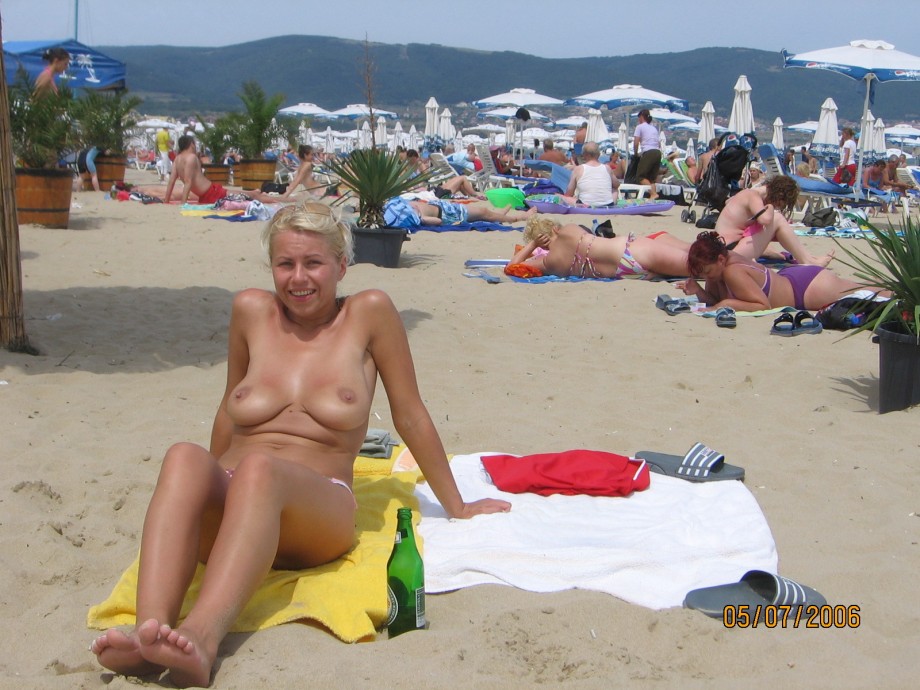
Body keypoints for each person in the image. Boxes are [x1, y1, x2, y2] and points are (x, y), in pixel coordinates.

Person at [89, 203, 511, 687]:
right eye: (285, 264)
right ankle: (151, 631)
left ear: (341, 265)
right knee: (184, 456)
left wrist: (455, 505)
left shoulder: (368, 313)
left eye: (313, 263)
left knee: (259, 471)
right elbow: (229, 407)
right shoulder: (250, 310)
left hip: (318, 509)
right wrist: (203, 480)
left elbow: (410, 413)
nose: (298, 278)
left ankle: (202, 640)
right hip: (239, 503)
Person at [680, 230, 880, 312]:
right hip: (791, 279)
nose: (706, 276)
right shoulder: (718, 269)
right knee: (863, 289)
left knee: (869, 293)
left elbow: (762, 305)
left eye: (706, 271)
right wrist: (699, 291)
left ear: (720, 259)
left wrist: (721, 305)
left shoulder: (733, 271)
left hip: (805, 289)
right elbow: (718, 300)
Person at [510, 217, 692, 280]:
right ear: (554, 229)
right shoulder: (569, 230)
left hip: (627, 272)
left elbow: (512, 267)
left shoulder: (549, 263)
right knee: (697, 260)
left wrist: (533, 246)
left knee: (693, 269)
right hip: (630, 251)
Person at [715, 176, 834, 267]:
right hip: (730, 251)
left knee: (772, 221)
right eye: (780, 204)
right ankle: (808, 261)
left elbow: (728, 202)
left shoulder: (747, 193)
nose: (778, 207)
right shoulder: (753, 196)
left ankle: (808, 258)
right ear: (779, 195)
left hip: (723, 249)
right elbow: (765, 220)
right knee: (777, 219)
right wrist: (770, 208)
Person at [160, 135, 283, 205]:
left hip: (211, 192)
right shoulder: (191, 158)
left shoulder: (177, 159)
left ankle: (276, 198)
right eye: (195, 143)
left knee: (247, 197)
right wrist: (183, 204)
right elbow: (188, 181)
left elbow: (172, 181)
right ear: (191, 144)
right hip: (210, 193)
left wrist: (166, 200)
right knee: (245, 196)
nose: (196, 145)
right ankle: (256, 193)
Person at [407, 198, 536, 226]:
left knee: (485, 213)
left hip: (443, 206)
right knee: (484, 211)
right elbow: (438, 221)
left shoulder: (401, 205)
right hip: (449, 214)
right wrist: (422, 217)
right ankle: (518, 218)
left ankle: (499, 215)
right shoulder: (415, 216)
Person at [565, 142, 620, 206]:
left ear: (584, 155)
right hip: (608, 205)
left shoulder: (578, 169)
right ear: (599, 154)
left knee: (566, 197)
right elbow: (617, 185)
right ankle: (610, 204)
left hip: (585, 205)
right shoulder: (607, 168)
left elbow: (569, 193)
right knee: (615, 190)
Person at [632, 109, 662, 200]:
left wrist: (636, 153)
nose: (638, 120)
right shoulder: (653, 128)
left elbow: (636, 142)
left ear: (641, 117)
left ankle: (653, 194)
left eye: (639, 118)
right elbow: (659, 143)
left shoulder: (640, 127)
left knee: (640, 177)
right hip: (657, 152)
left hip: (649, 152)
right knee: (651, 178)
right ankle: (654, 195)